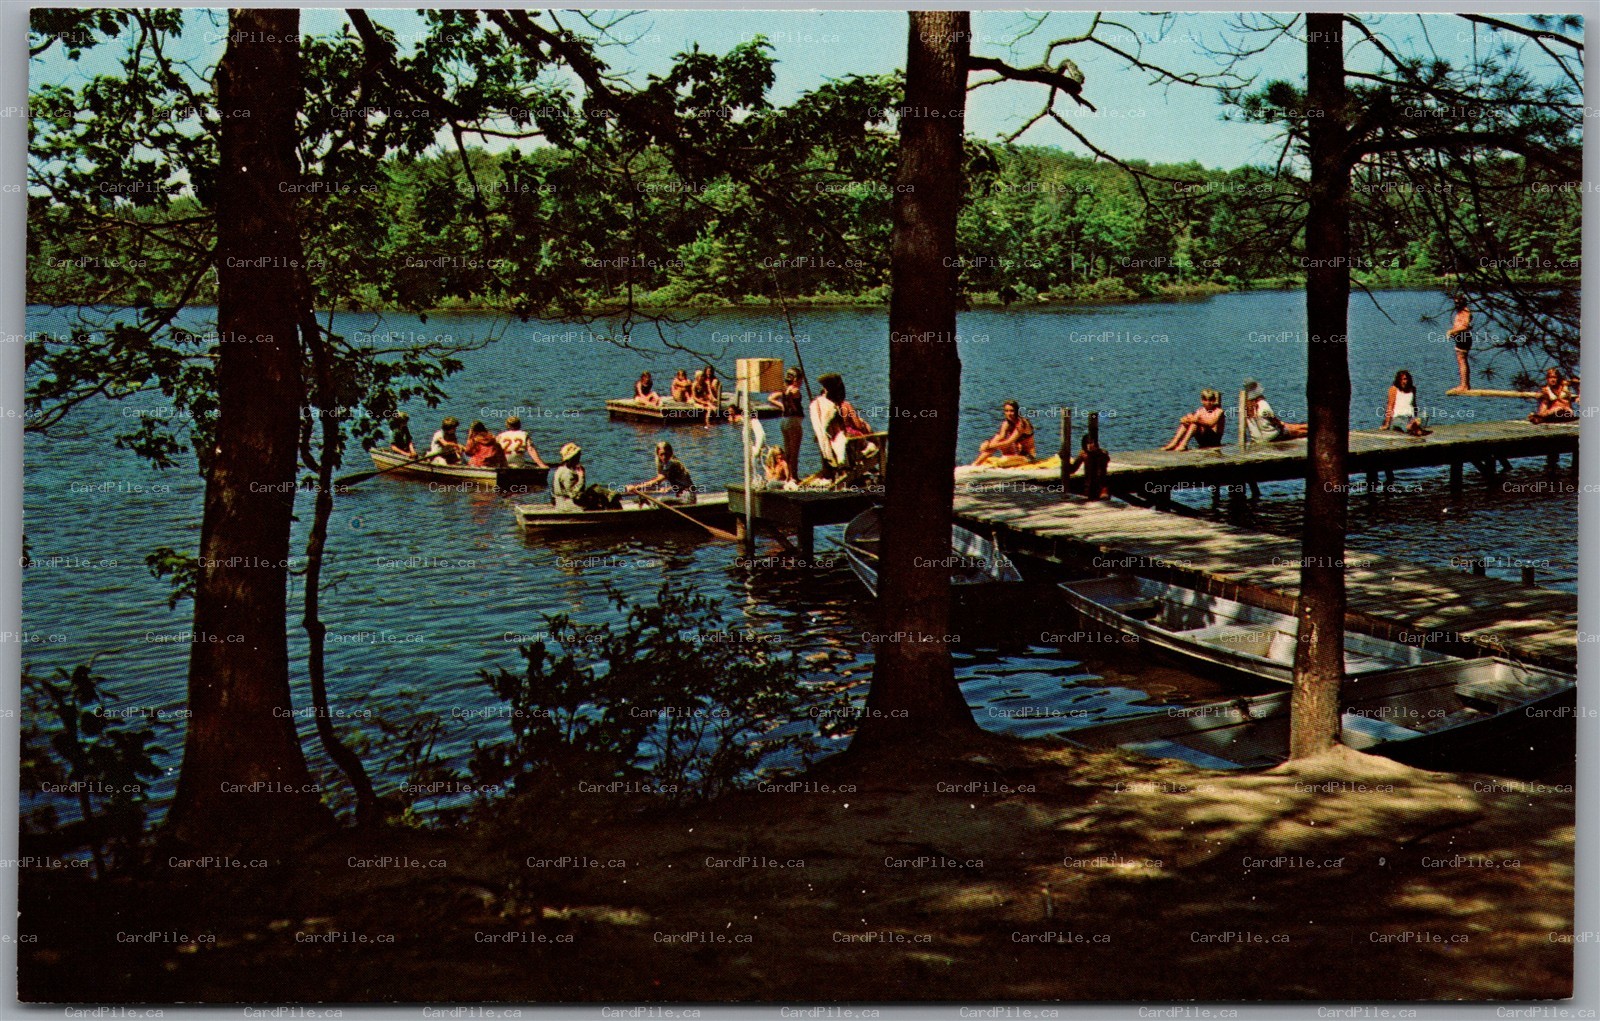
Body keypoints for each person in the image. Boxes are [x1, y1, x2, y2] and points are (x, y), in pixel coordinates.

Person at [810, 372, 877, 468]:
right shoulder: (845, 405)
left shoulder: (820, 406)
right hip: (845, 437)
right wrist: (862, 423)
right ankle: (866, 453)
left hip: (830, 440)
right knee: (870, 438)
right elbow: (857, 425)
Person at [624, 441, 697, 504]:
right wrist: (668, 488)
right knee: (643, 498)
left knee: (660, 500)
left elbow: (656, 482)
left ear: (671, 453)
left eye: (666, 454)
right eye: (661, 454)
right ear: (658, 455)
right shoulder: (665, 465)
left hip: (688, 498)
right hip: (681, 496)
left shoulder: (672, 464)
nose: (664, 457)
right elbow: (657, 483)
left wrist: (636, 487)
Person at [769, 367, 806, 477]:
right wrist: (792, 405)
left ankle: (788, 476)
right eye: (800, 380)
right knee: (794, 453)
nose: (801, 383)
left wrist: (783, 406)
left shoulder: (784, 388)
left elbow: (771, 398)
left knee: (788, 452)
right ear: (795, 380)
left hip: (785, 421)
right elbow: (791, 397)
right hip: (794, 422)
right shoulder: (795, 390)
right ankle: (794, 476)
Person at [973, 400, 1036, 464]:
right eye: (1006, 411)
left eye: (1012, 411)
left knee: (1003, 460)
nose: (1009, 414)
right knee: (997, 438)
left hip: (1027, 456)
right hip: (1016, 453)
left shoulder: (1021, 424)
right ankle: (976, 464)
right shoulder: (1006, 423)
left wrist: (988, 446)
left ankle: (1009, 460)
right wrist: (987, 442)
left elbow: (1009, 442)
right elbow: (1000, 437)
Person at [1160, 389, 1226, 451]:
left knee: (1194, 424)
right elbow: (1192, 419)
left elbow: (1211, 423)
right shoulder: (1200, 410)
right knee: (1187, 423)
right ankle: (1174, 443)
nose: (1208, 402)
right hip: (1202, 440)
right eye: (1206, 400)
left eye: (1211, 400)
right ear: (1202, 401)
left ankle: (1183, 444)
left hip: (1213, 441)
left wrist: (1195, 420)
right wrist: (1185, 419)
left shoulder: (1219, 411)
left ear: (1214, 401)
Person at [1242, 380, 1307, 443]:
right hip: (1272, 437)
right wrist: (1284, 426)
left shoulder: (1246, 408)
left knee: (1291, 427)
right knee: (1296, 430)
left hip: (1258, 439)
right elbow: (1275, 422)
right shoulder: (1262, 404)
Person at [1382, 371, 1431, 436]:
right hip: (1398, 417)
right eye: (1402, 379)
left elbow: (1414, 405)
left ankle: (1415, 427)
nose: (1404, 381)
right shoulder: (1394, 389)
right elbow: (1390, 406)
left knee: (1424, 415)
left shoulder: (1412, 389)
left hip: (1410, 417)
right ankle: (1414, 428)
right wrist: (1387, 423)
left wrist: (1416, 416)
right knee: (1401, 423)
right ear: (1398, 380)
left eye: (1406, 379)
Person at [1064, 434, 1111, 500]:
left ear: (1094, 443)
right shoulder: (1083, 454)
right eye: (1087, 443)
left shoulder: (1102, 453)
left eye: (1091, 443)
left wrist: (1096, 453)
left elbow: (1105, 462)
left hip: (1101, 487)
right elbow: (1073, 469)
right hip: (1089, 487)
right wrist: (1065, 460)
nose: (1089, 445)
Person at [1448, 294, 1474, 391]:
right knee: (1461, 360)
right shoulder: (1460, 312)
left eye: (1458, 302)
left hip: (1464, 337)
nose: (1456, 304)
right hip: (1460, 337)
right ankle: (1463, 384)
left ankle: (1465, 385)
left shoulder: (1465, 311)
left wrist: (1452, 331)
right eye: (1455, 303)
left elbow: (1465, 326)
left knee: (1462, 360)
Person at [550, 443, 586, 511]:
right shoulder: (567, 473)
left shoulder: (560, 469)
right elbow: (572, 494)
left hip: (561, 502)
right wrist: (581, 478)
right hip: (567, 505)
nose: (579, 457)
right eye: (577, 456)